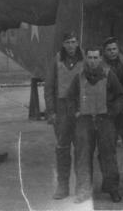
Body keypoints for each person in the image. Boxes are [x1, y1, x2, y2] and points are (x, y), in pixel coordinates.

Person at [69, 46, 123, 203]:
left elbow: (121, 96)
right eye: (90, 58)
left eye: (96, 58)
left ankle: (112, 188)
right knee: (83, 156)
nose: (93, 61)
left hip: (105, 120)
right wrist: (75, 112)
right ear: (86, 59)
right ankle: (83, 190)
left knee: (108, 155)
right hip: (85, 122)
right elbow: (70, 98)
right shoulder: (79, 77)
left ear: (100, 58)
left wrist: (112, 112)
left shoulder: (109, 75)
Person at [44, 31, 84, 200]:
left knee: (82, 150)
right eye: (68, 42)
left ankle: (82, 187)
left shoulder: (85, 60)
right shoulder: (57, 60)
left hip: (79, 110)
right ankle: (63, 186)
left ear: (77, 43)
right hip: (61, 111)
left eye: (74, 42)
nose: (71, 45)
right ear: (63, 44)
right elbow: (49, 88)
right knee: (62, 149)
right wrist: (51, 111)